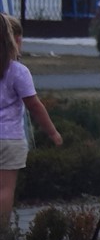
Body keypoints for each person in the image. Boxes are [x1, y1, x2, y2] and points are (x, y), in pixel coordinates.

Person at [0, 15, 61, 226]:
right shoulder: (18, 71)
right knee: (5, 189)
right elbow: (34, 105)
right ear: (13, 40)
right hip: (10, 139)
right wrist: (52, 132)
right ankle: (2, 233)